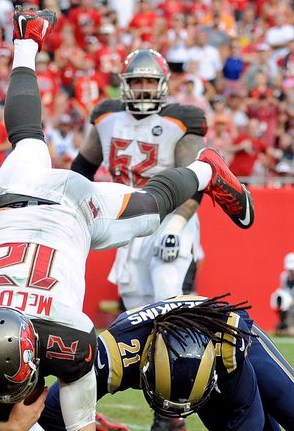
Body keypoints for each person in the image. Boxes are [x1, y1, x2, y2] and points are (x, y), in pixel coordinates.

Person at [0, 9, 254, 431]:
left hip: (71, 215)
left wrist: (8, 427)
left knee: (150, 212)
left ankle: (206, 169)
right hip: (11, 199)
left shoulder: (61, 336)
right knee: (27, 137)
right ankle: (26, 41)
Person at [37, 296, 294, 431]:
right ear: (145, 367)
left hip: (236, 340)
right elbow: (49, 413)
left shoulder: (227, 350)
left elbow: (245, 417)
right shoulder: (115, 355)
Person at [70, 47, 223, 313]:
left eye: (150, 81)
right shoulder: (107, 116)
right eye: (137, 81)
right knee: (135, 307)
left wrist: (176, 225)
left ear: (162, 84)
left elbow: (195, 177)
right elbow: (83, 167)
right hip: (127, 218)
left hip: (170, 214)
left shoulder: (181, 119)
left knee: (168, 290)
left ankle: (182, 353)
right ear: (125, 84)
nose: (143, 88)